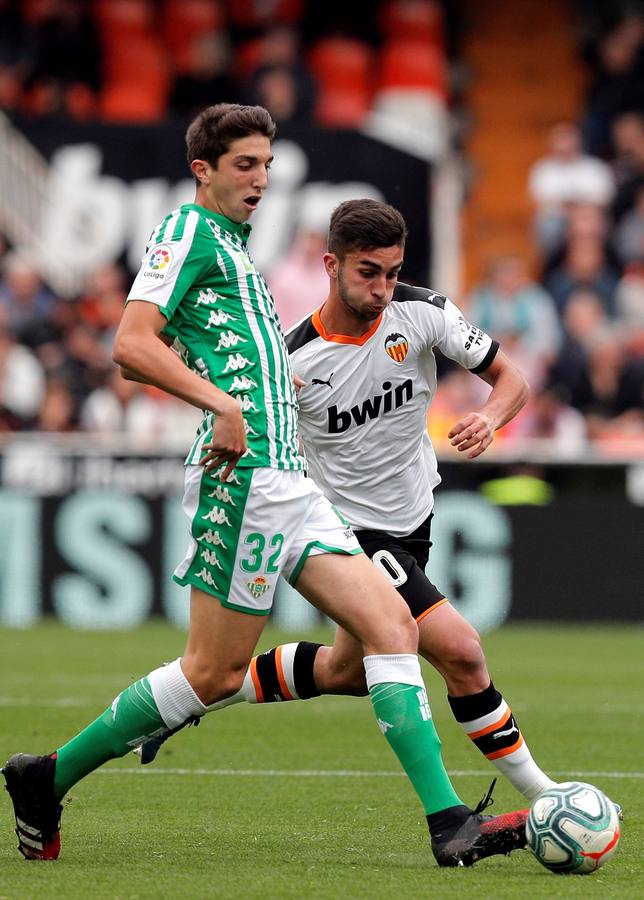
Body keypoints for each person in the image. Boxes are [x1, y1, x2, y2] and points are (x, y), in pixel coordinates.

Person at [2, 105, 527, 868]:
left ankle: (448, 825)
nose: (260, 179)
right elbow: (130, 344)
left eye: (267, 164)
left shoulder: (234, 247)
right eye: (245, 164)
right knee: (211, 671)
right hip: (245, 478)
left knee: (388, 631)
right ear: (203, 171)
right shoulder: (187, 233)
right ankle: (48, 776)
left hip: (286, 477)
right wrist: (218, 403)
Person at [140, 198, 557, 807]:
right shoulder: (291, 359)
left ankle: (193, 696)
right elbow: (241, 423)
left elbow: (512, 379)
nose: (384, 288)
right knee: (462, 653)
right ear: (331, 266)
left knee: (348, 672)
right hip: (350, 531)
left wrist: (491, 418)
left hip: (414, 516)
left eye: (392, 272)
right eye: (369, 272)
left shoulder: (426, 313)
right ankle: (549, 796)